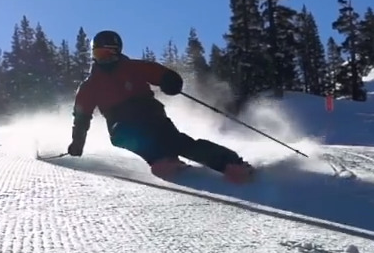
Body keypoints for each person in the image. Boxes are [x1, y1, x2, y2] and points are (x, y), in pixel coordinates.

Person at [67, 29, 255, 184]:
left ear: (116, 52)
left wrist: (170, 81)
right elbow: (81, 117)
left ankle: (231, 163)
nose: (102, 59)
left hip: (149, 114)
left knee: (177, 142)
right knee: (123, 137)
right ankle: (162, 160)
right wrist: (77, 143)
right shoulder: (90, 85)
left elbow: (159, 73)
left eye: (105, 54)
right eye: (97, 55)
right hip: (120, 123)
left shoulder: (132, 67)